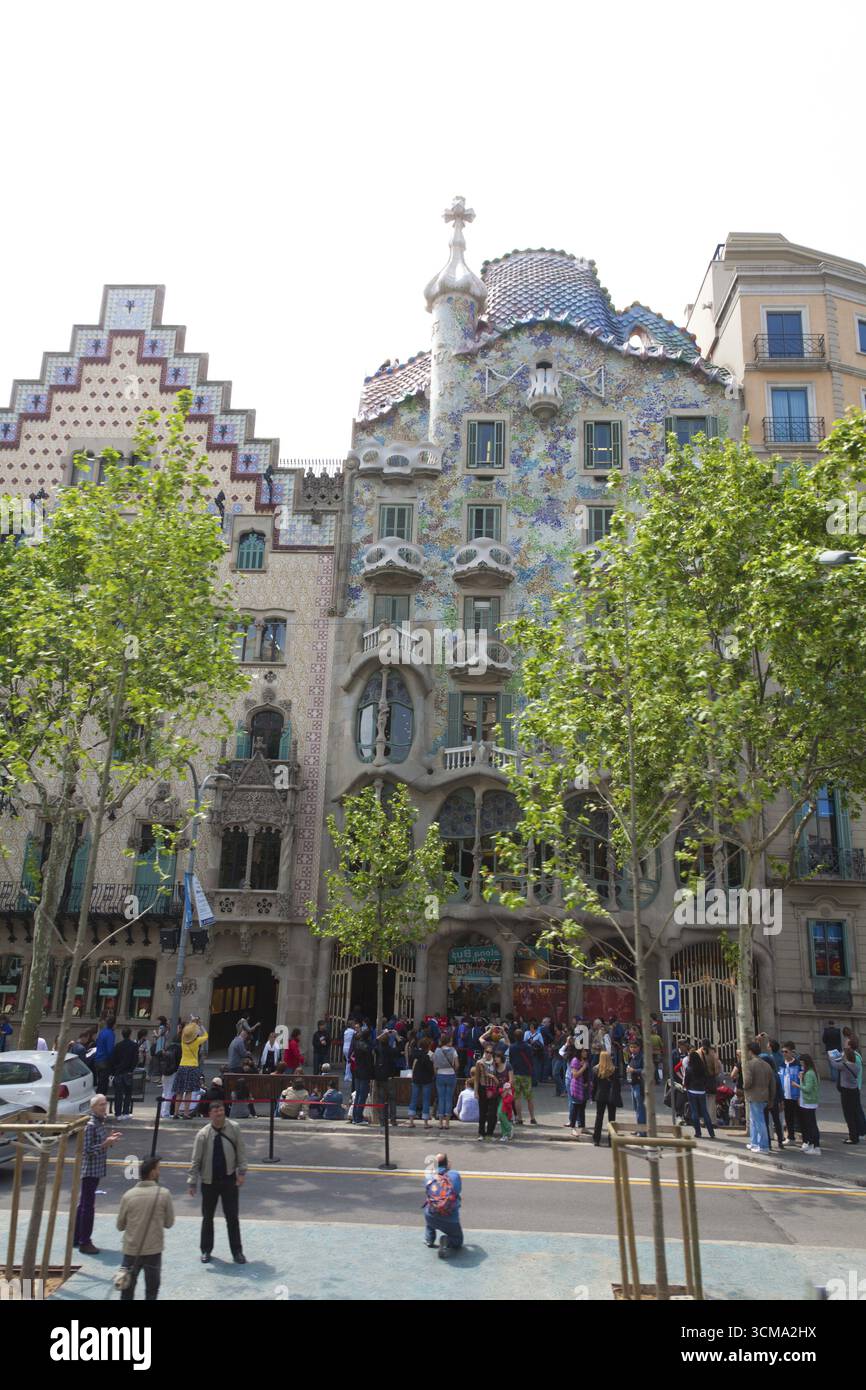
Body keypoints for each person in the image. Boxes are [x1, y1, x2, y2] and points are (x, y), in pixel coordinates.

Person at [188, 1100, 248, 1264]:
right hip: (209, 1181)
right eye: (216, 1111)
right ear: (210, 1115)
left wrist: (241, 1172)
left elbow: (241, 1152)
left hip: (229, 1179)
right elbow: (196, 1160)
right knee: (207, 1217)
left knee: (232, 1218)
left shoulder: (234, 1128)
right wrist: (192, 1182)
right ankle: (206, 1250)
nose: (219, 1114)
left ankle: (237, 1252)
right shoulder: (203, 1134)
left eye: (221, 1110)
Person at [115, 1155, 174, 1301]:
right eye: (158, 1169)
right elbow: (169, 1223)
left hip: (131, 1251)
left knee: (127, 1290)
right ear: (153, 1173)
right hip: (153, 1250)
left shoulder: (128, 1196)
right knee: (152, 1292)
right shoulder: (164, 1194)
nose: (159, 1172)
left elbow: (120, 1226)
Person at [74, 1095, 122, 1254]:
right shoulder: (91, 1125)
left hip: (96, 1170)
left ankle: (77, 1237)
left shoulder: (100, 1123)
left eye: (105, 1104)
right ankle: (84, 1241)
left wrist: (109, 1140)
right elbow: (87, 1151)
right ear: (93, 1107)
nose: (104, 1107)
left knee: (83, 1204)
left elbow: (100, 1145)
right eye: (101, 1105)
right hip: (90, 1170)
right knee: (87, 1206)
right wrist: (105, 1144)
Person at [423, 1153, 463, 1258]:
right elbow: (457, 1191)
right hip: (450, 1218)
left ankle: (429, 1239)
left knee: (430, 1206)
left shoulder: (428, 1176)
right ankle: (446, 1240)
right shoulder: (454, 1175)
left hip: (431, 1216)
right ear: (447, 1164)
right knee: (458, 1241)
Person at [173, 1019, 209, 1118]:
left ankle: (176, 1113)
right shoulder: (197, 1041)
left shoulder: (183, 1040)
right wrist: (200, 1025)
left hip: (182, 1066)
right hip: (192, 1067)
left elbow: (186, 1031)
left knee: (179, 1091)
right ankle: (186, 1113)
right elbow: (206, 1036)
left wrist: (191, 1023)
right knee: (188, 1092)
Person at [743, 1041, 775, 1154]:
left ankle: (763, 1146)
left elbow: (748, 1081)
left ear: (750, 1051)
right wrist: (771, 1098)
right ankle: (754, 1143)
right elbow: (772, 1084)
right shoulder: (767, 1065)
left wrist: (744, 1088)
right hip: (764, 1096)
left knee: (759, 1121)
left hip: (754, 1095)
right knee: (754, 1120)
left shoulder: (749, 1064)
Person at [507, 1026, 537, 1126]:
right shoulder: (528, 1047)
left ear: (515, 1037)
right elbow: (532, 1060)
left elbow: (510, 1060)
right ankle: (532, 1118)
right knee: (529, 1097)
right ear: (523, 1036)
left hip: (516, 1074)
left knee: (517, 1097)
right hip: (526, 1074)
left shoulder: (512, 1047)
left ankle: (519, 1118)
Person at [683, 1048, 715, 1140]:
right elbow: (705, 1079)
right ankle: (711, 1132)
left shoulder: (689, 1068)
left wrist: (687, 1087)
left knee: (694, 1112)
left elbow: (686, 1081)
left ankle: (698, 1132)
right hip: (701, 1091)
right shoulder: (702, 1068)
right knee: (705, 1112)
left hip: (692, 1091)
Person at [592, 1050, 621, 1147]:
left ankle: (596, 1139)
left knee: (599, 1117)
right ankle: (611, 1140)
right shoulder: (614, 1070)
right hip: (611, 1096)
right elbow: (617, 1085)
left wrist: (593, 1096)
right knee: (612, 1119)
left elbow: (594, 1085)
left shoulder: (596, 1069)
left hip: (600, 1095)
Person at [110, 1026, 139, 1119]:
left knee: (118, 1094)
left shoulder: (118, 1046)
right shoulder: (134, 1046)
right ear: (130, 1034)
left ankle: (118, 1113)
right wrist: (131, 1069)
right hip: (128, 1072)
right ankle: (126, 1112)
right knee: (128, 1093)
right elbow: (135, 1059)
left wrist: (115, 1070)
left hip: (118, 1072)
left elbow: (113, 1059)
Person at [432, 1033, 459, 1130]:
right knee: (448, 1098)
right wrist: (454, 1071)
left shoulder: (437, 1051)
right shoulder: (453, 1051)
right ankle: (447, 1123)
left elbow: (434, 1066)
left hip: (440, 1074)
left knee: (441, 1098)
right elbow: (457, 1065)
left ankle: (440, 1123)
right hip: (451, 1074)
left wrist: (437, 1073)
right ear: (448, 1041)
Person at [797, 1052, 821, 1155]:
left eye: (802, 1064)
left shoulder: (810, 1073)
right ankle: (811, 1144)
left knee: (811, 1124)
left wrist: (798, 1083)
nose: (802, 1066)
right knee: (809, 1124)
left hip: (809, 1102)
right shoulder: (811, 1072)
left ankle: (816, 1146)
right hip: (807, 1102)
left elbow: (807, 1089)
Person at [838, 1044, 864, 1144]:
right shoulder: (856, 1066)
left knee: (848, 1115)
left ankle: (853, 1137)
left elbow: (834, 1064)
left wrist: (835, 1057)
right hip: (855, 1091)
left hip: (847, 1092)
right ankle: (855, 1134)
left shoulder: (845, 1066)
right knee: (855, 1113)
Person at [408, 1038, 434, 1129]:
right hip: (426, 1080)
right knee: (426, 1100)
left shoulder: (415, 1054)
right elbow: (431, 1069)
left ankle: (411, 1121)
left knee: (413, 1099)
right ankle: (425, 1122)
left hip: (416, 1079)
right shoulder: (427, 1057)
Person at [779, 1046, 802, 1145]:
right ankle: (791, 1137)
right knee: (788, 1117)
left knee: (800, 1117)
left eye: (786, 1051)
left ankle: (805, 1138)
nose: (784, 1053)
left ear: (791, 1053)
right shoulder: (782, 1064)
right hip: (786, 1095)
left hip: (796, 1095)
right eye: (782, 1052)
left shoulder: (797, 1064)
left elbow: (801, 1079)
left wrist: (800, 1095)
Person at [566, 1049, 590, 1135]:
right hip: (576, 1087)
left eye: (586, 1051)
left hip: (584, 1088)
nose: (585, 1053)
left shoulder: (585, 1060)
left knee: (582, 1109)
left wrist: (587, 1082)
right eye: (583, 1052)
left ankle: (582, 1127)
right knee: (575, 1108)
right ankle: (573, 1127)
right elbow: (575, 1075)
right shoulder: (575, 1060)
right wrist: (583, 1067)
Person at [626, 1041, 647, 1128]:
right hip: (632, 1084)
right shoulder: (631, 1057)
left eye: (635, 1047)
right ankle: (639, 1128)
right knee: (636, 1107)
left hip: (639, 1084)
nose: (633, 1049)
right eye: (631, 1047)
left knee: (640, 1107)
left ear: (639, 1048)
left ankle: (642, 1130)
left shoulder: (642, 1057)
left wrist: (634, 1070)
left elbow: (645, 1070)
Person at [94, 1015, 116, 1097]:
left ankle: (98, 1099)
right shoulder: (110, 1034)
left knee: (100, 1083)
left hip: (98, 1059)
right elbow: (110, 1050)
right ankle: (99, 1101)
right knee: (103, 1085)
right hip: (104, 1061)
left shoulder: (102, 1032)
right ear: (114, 1024)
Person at [822, 1019, 843, 1084]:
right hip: (837, 1049)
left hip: (829, 1049)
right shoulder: (837, 1031)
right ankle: (837, 1077)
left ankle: (833, 1077)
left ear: (829, 1024)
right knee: (837, 1063)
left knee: (831, 1064)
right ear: (834, 1024)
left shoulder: (826, 1031)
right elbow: (839, 1041)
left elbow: (824, 1040)